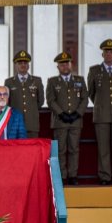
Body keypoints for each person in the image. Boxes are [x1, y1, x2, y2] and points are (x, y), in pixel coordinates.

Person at [47, 52, 88, 186]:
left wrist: (77, 113)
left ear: (70, 65)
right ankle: (62, 176)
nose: (65, 66)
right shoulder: (52, 81)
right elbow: (51, 100)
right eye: (62, 64)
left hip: (76, 121)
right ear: (58, 67)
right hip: (60, 121)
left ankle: (73, 175)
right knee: (61, 150)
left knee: (74, 149)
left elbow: (84, 98)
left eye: (67, 63)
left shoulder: (79, 80)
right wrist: (61, 114)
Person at [87, 39, 112, 185]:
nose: (109, 54)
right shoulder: (94, 71)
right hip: (101, 115)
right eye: (106, 51)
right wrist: (102, 105)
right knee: (103, 148)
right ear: (102, 54)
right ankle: (105, 176)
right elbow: (91, 92)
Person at [4, 50, 45, 138]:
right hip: (15, 124)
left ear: (28, 65)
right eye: (20, 63)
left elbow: (40, 101)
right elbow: (7, 103)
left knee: (32, 150)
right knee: (17, 150)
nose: (23, 65)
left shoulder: (37, 81)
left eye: (25, 62)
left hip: (32, 123)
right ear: (16, 65)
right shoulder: (9, 82)